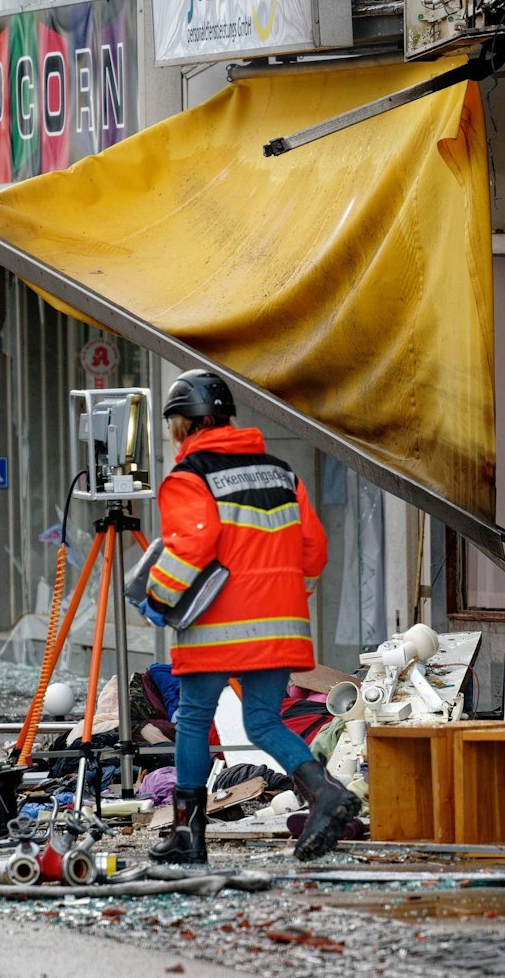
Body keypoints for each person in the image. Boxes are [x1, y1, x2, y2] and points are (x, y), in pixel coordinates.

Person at [141, 368, 360, 863]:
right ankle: (324, 793)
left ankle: (188, 836)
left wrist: (157, 598)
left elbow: (190, 549)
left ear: (183, 424)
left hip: (217, 627)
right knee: (262, 720)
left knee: (194, 721)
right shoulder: (281, 473)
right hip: (279, 626)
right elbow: (315, 552)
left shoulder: (189, 477)